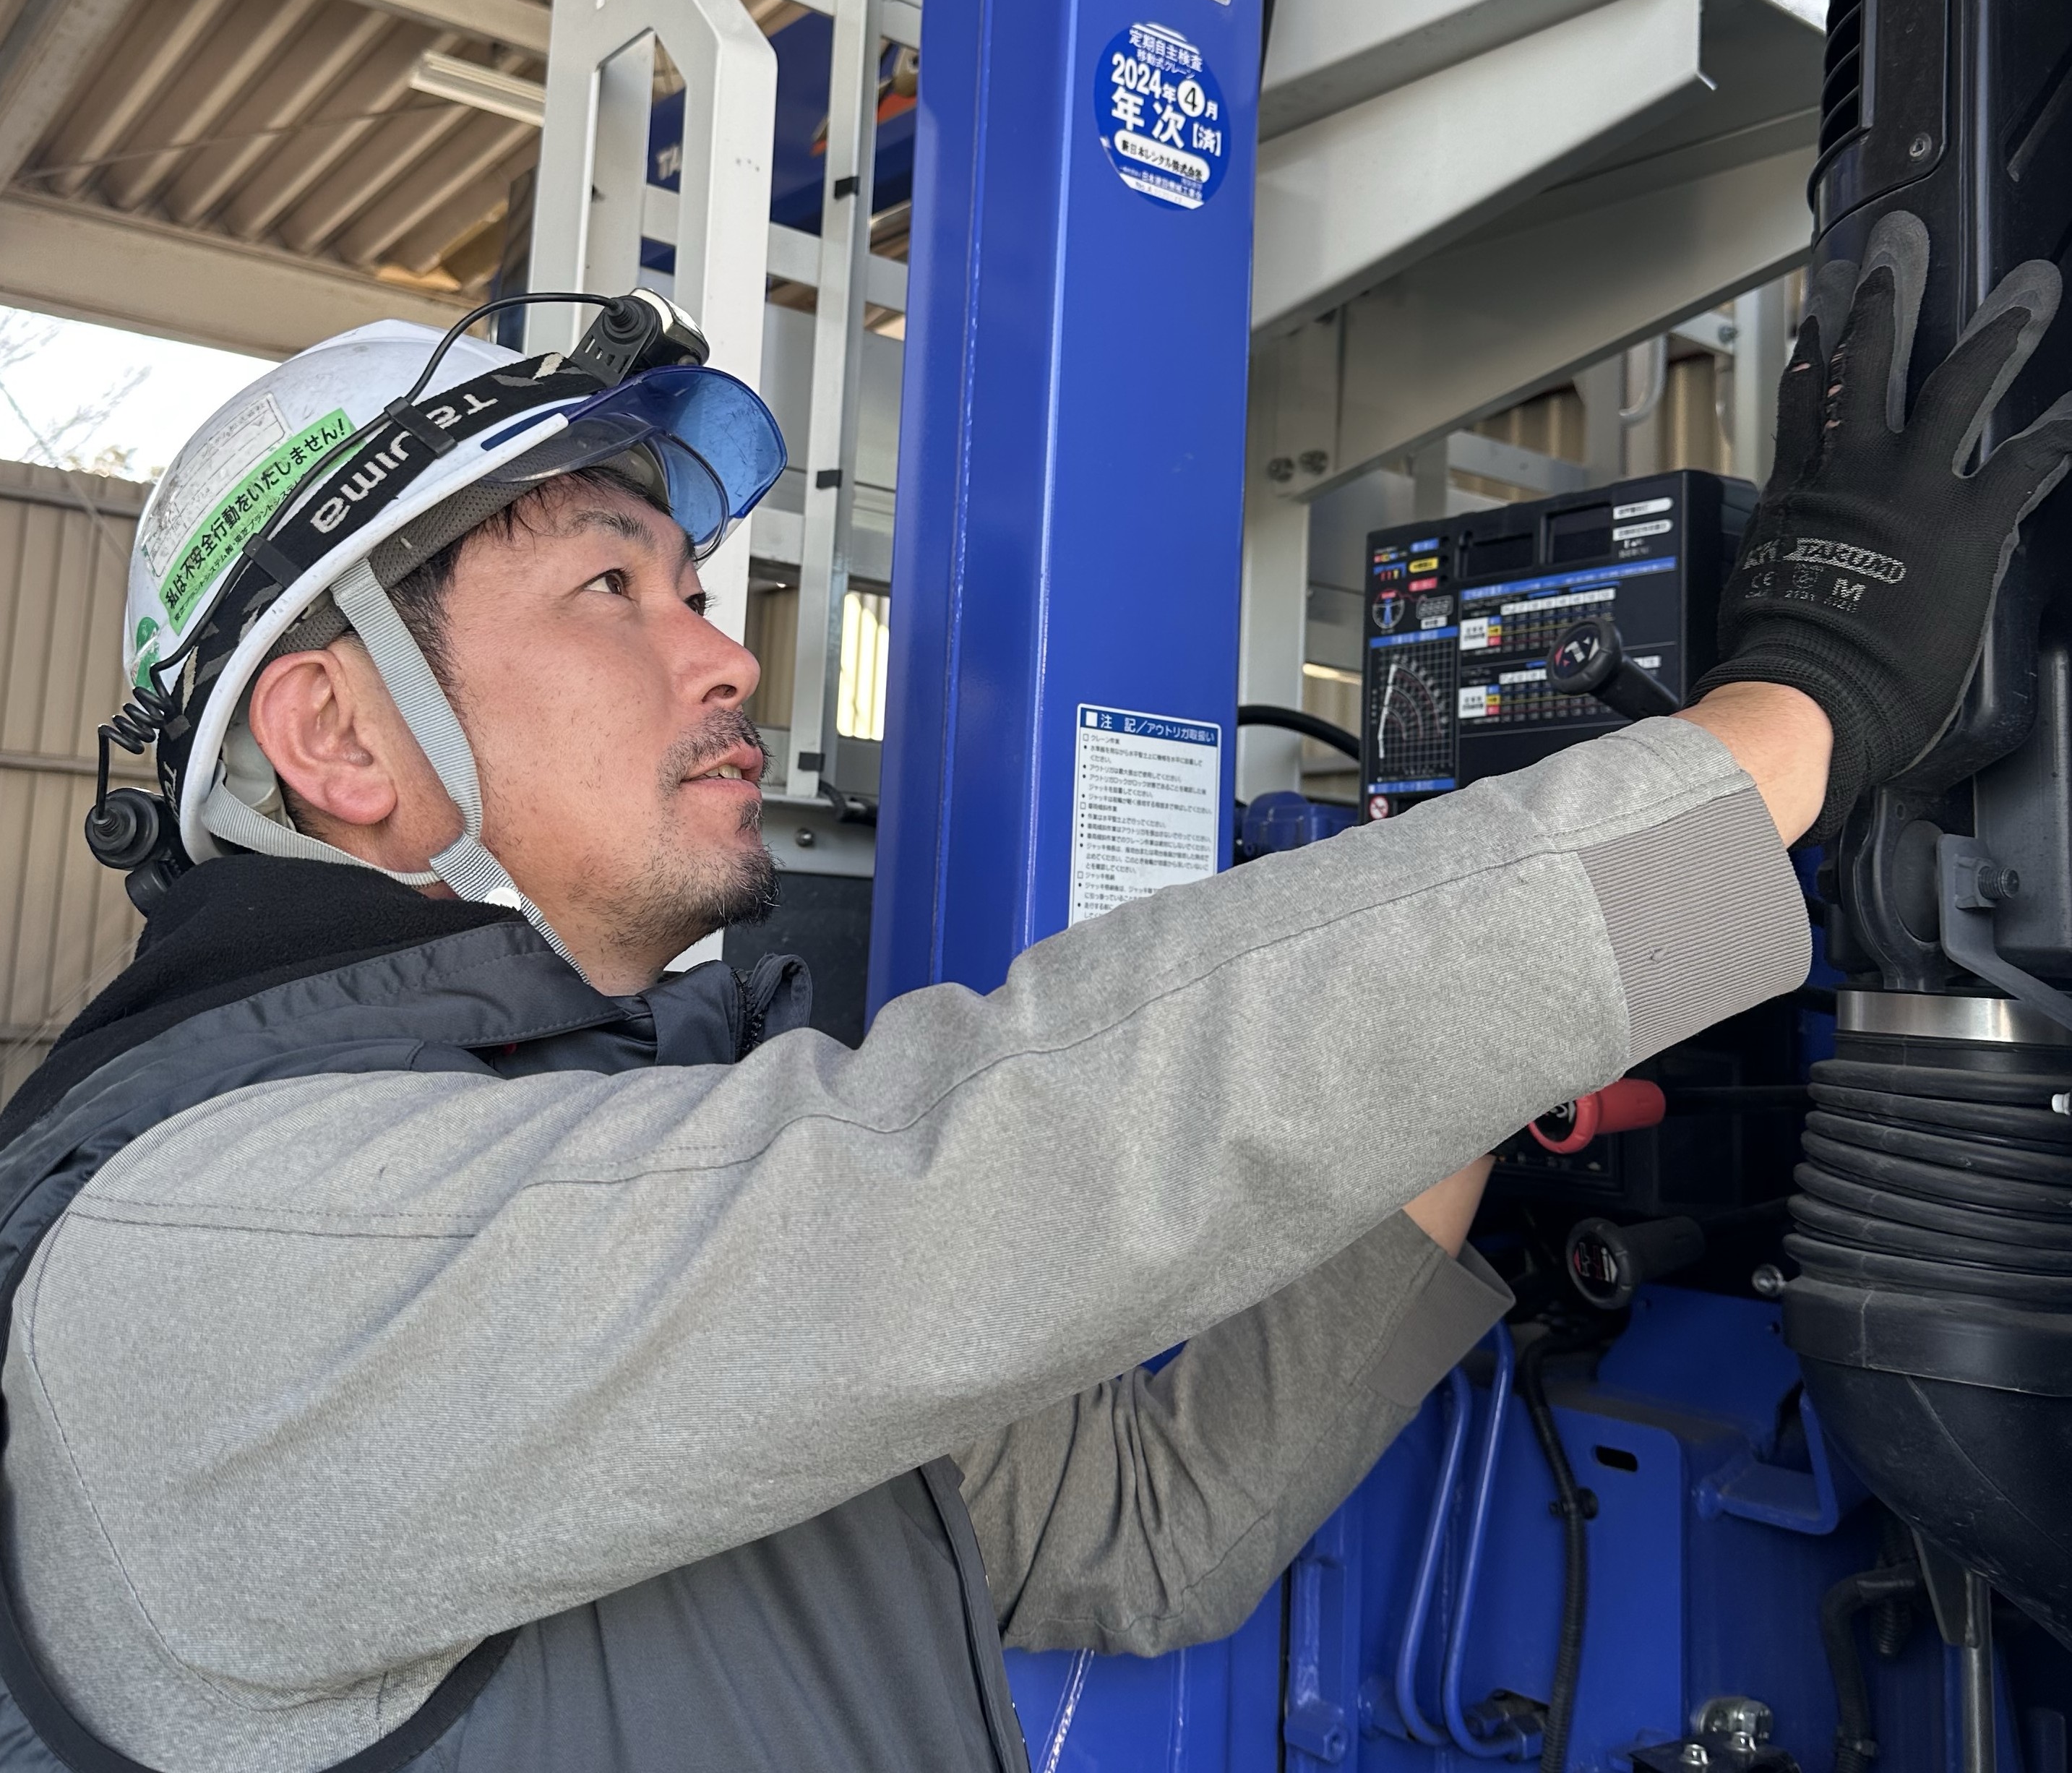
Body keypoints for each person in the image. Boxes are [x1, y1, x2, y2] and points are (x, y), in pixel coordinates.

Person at [0, 214, 2063, 1773]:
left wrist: (1501, 991)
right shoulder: (209, 1261)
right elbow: (970, 1152)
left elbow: (1146, 1528)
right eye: (609, 588)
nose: (723, 655)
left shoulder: (577, 1193)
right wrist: (1791, 718)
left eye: (694, 590)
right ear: (339, 736)